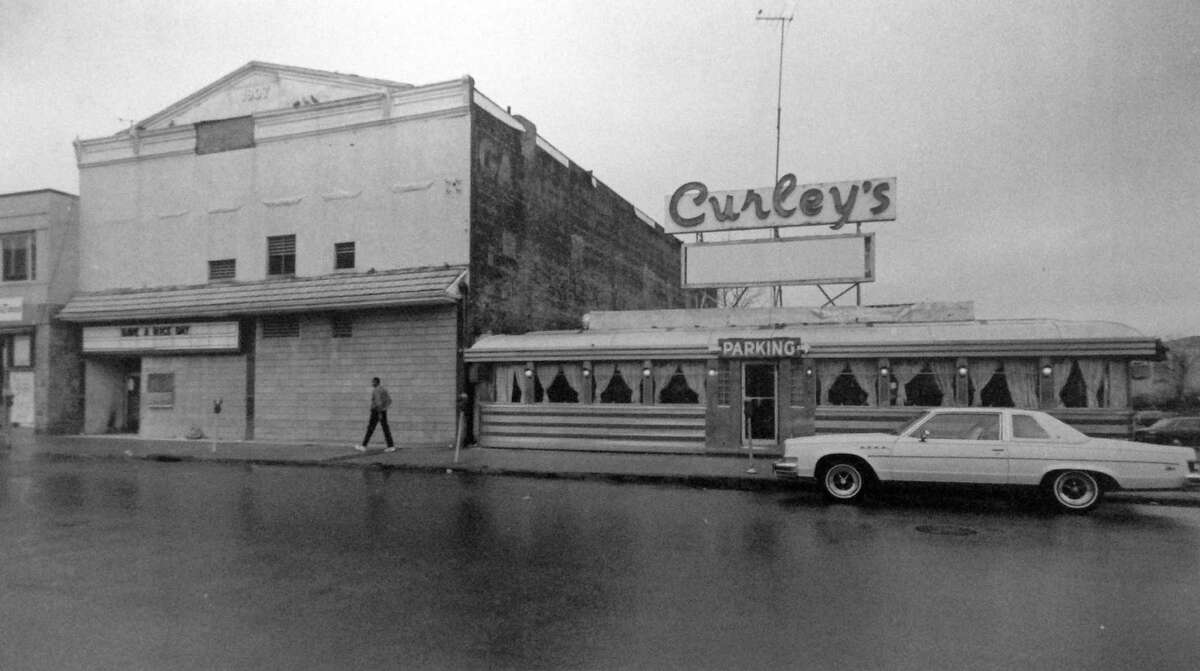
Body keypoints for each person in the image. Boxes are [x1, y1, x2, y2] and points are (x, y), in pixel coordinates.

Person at [357, 377, 395, 451]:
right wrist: (384, 408)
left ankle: (363, 446)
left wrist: (379, 412)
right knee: (385, 428)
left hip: (376, 411)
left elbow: (378, 402)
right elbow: (389, 400)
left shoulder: (376, 390)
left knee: (370, 428)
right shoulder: (384, 389)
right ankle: (391, 446)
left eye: (373, 382)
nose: (372, 383)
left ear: (376, 382)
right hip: (383, 411)